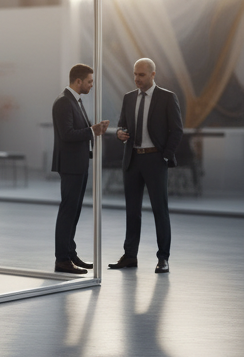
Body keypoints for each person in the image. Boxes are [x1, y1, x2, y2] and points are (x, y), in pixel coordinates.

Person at [109, 57, 183, 274]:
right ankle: (130, 256)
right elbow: (122, 124)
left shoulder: (167, 98)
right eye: (135, 74)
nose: (136, 79)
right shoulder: (128, 98)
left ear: (152, 75)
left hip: (155, 160)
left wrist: (165, 156)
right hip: (132, 159)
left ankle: (163, 258)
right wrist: (120, 133)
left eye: (141, 75)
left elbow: (177, 130)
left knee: (160, 210)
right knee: (132, 211)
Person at [51, 63, 109, 275]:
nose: (92, 85)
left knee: (73, 212)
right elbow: (67, 134)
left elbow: (80, 130)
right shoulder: (64, 103)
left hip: (79, 163)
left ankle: (70, 254)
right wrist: (92, 130)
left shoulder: (75, 101)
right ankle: (62, 259)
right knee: (68, 211)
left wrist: (95, 130)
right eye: (90, 81)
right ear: (78, 81)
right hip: (70, 165)